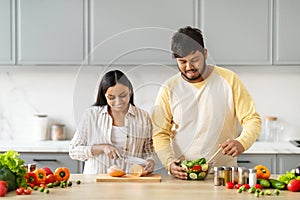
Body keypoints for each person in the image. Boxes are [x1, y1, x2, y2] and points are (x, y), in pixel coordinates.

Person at [152, 26, 262, 179]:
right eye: (182, 62)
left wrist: (242, 142)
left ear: (205, 53)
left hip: (224, 175)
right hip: (183, 175)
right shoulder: (168, 89)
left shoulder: (229, 80)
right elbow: (159, 133)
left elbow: (252, 119)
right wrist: (169, 163)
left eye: (194, 60)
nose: (189, 67)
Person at [69, 70, 155, 174]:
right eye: (111, 98)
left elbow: (148, 150)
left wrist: (150, 161)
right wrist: (102, 148)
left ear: (130, 91)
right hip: (96, 182)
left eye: (123, 95)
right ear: (104, 96)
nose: (118, 102)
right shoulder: (91, 115)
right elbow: (73, 151)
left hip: (130, 182)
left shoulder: (143, 116)